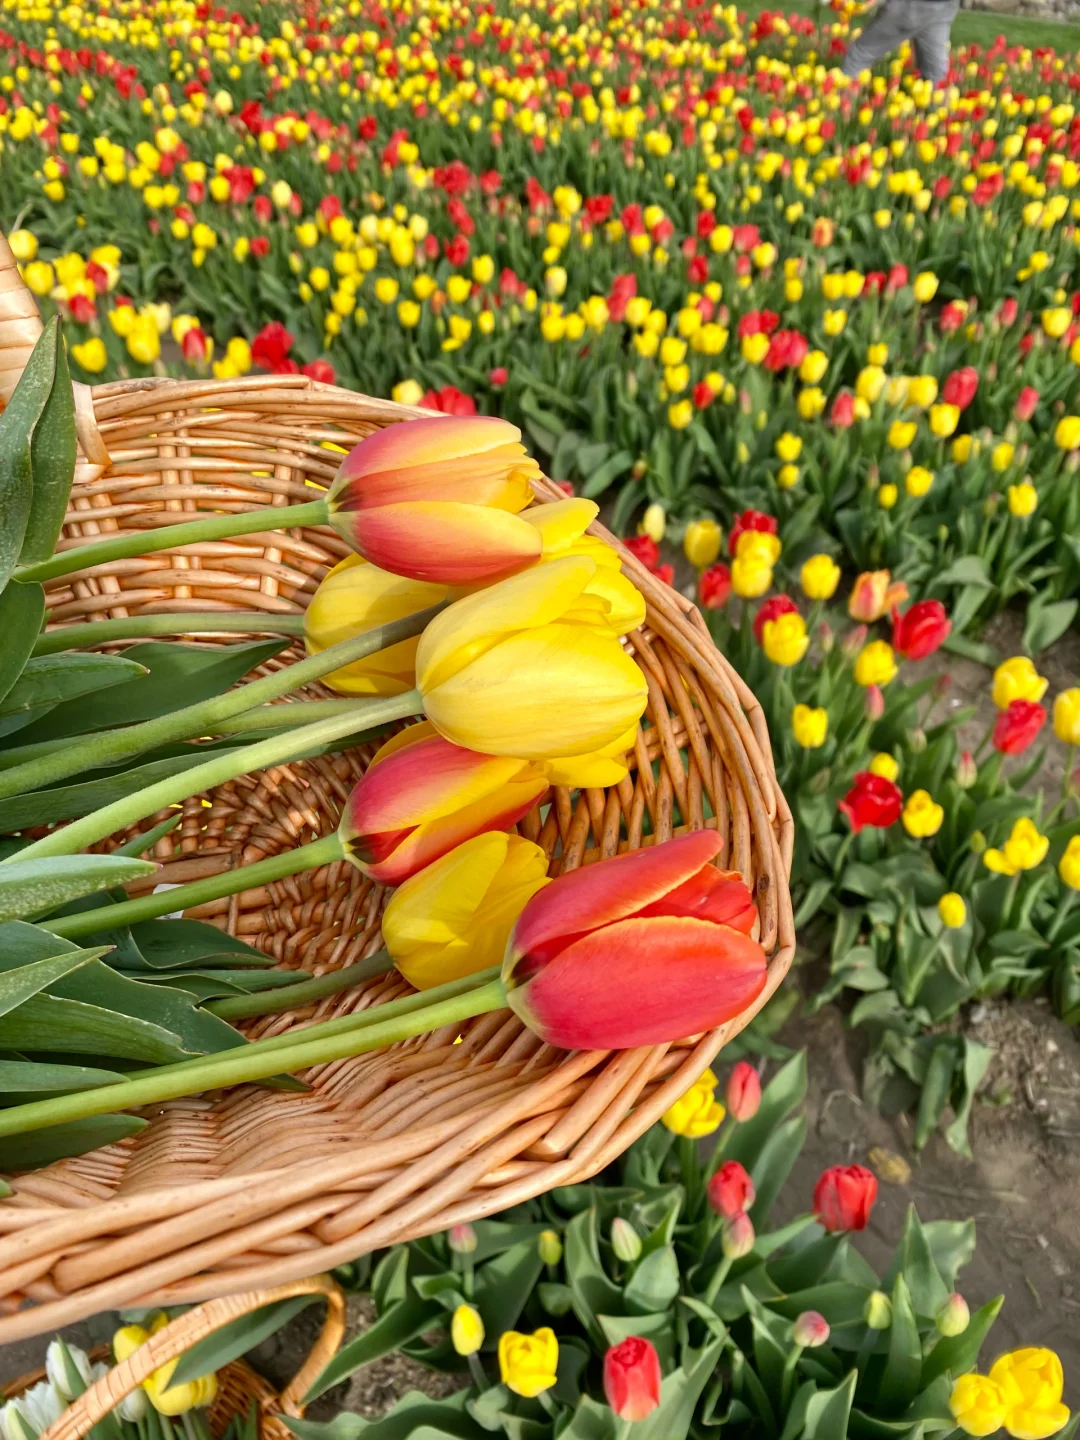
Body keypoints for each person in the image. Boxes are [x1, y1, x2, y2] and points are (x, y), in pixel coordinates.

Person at [840, 0, 958, 86]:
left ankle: (845, 102)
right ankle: (938, 114)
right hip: (944, 6)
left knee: (860, 54)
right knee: (935, 73)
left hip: (909, 7)